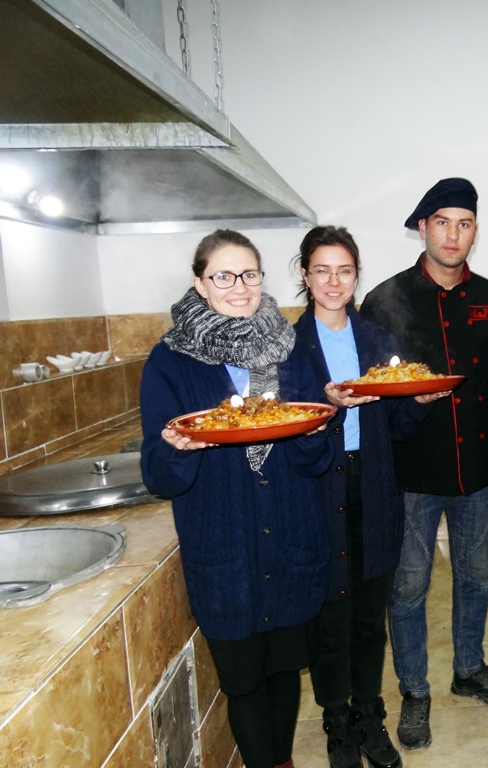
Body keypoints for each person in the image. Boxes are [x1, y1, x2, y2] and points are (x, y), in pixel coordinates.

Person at [139, 229, 336, 768]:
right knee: (244, 679)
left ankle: (283, 761)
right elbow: (159, 475)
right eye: (223, 276)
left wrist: (316, 433)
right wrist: (178, 449)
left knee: (284, 666)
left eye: (249, 274)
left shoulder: (290, 350)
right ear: (200, 284)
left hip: (291, 535)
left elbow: (316, 459)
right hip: (225, 546)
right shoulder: (170, 361)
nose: (240, 286)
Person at [359, 178, 488, 750]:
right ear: (423, 228)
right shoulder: (384, 301)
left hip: (477, 471)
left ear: (475, 231)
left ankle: (469, 669)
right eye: (443, 222)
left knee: (476, 577)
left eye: (465, 223)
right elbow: (373, 393)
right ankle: (414, 690)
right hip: (411, 473)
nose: (454, 235)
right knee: (408, 586)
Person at [288, 225, 448, 768]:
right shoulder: (288, 346)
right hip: (318, 489)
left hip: (374, 485)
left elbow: (396, 426)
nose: (334, 282)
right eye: (322, 270)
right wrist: (326, 408)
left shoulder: (377, 340)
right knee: (330, 613)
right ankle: (336, 722)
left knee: (369, 611)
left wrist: (419, 402)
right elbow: (286, 427)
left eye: (345, 270)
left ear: (357, 276)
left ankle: (368, 714)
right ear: (306, 275)